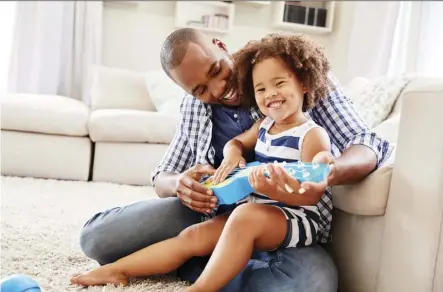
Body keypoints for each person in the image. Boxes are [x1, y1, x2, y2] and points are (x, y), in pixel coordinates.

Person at [78, 28, 393, 292]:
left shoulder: (286, 73)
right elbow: (164, 174)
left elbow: (365, 142)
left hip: (282, 222)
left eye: (217, 70)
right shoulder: (201, 110)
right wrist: (180, 184)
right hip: (214, 213)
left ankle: (204, 269)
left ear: (221, 46)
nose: (218, 89)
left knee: (312, 284)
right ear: (185, 91)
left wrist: (329, 171)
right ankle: (202, 260)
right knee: (97, 239)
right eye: (200, 89)